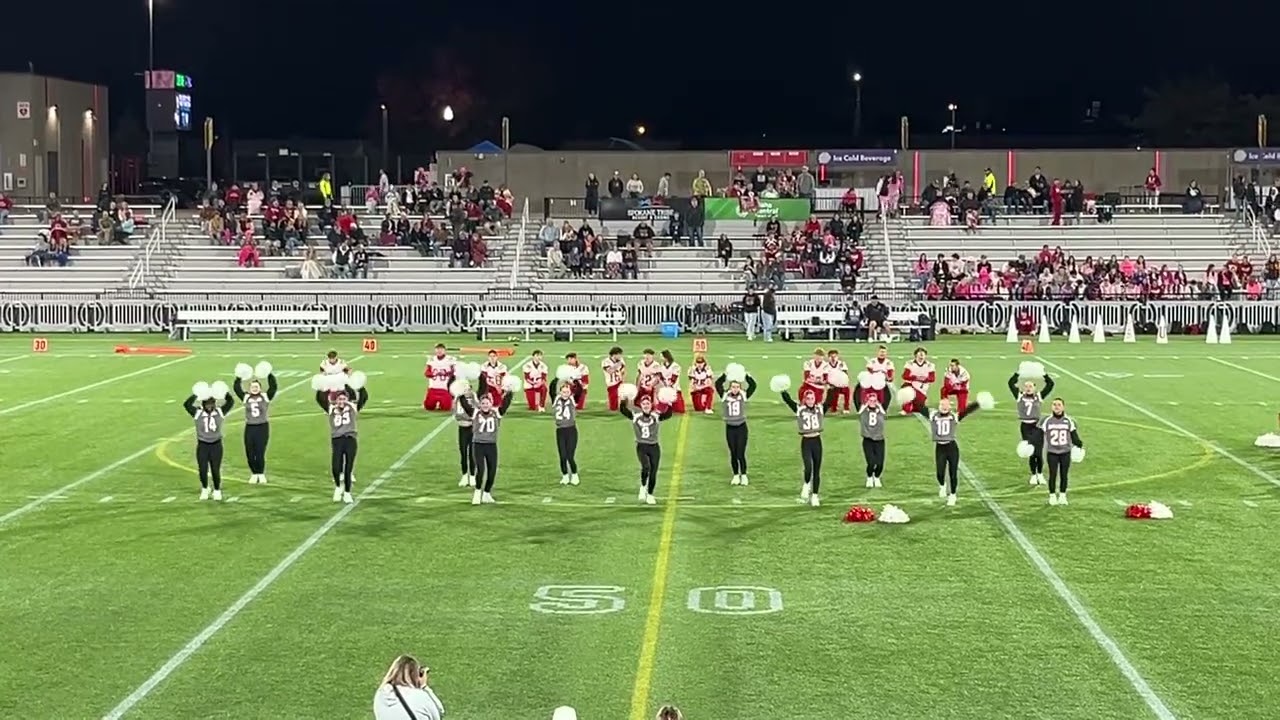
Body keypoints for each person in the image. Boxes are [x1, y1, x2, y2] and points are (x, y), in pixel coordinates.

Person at [914, 396, 982, 507]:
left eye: (946, 405)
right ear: (939, 406)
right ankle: (942, 486)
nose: (944, 407)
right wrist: (911, 397)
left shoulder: (954, 416)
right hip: (940, 448)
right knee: (940, 473)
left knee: (953, 473)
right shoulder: (933, 415)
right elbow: (920, 407)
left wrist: (978, 403)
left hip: (951, 447)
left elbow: (967, 410)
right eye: (942, 405)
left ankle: (953, 495)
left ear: (950, 406)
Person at [316, 382, 368, 503]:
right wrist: (324, 387)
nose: (342, 401)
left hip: (350, 439)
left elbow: (364, 396)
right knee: (336, 466)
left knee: (348, 468)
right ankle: (339, 487)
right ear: (336, 400)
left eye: (344, 399)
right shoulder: (331, 408)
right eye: (339, 399)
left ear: (347, 399)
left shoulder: (352, 407)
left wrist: (356, 384)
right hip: (337, 440)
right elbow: (319, 398)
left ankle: (348, 492)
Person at [459, 389, 514, 504]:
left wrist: (510, 392)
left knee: (492, 471)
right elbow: (465, 405)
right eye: (483, 403)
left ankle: (487, 493)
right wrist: (460, 394)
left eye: (487, 403)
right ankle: (477, 492)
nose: (485, 405)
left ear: (491, 403)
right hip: (478, 445)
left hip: (491, 445)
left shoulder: (496, 412)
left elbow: (506, 404)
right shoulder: (475, 413)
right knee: (481, 469)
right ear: (480, 404)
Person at [619, 394, 674, 505]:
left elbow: (668, 414)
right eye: (644, 404)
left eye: (648, 403)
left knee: (653, 472)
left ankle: (650, 494)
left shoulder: (656, 416)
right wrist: (623, 400)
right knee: (646, 467)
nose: (646, 405)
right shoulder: (636, 416)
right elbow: (623, 410)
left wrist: (669, 403)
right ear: (641, 405)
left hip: (654, 447)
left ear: (651, 405)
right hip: (642, 446)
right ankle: (643, 486)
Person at [184, 386, 235, 501]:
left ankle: (217, 490)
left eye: (211, 403)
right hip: (203, 445)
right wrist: (198, 394)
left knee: (215, 469)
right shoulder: (197, 413)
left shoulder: (220, 412)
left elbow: (230, 401)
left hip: (216, 445)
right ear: (203, 404)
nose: (210, 406)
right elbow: (187, 404)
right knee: (202, 469)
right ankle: (205, 488)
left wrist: (223, 392)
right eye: (207, 404)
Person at [780, 386, 828, 507]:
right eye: (808, 398)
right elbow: (788, 401)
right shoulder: (800, 409)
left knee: (817, 470)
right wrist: (782, 390)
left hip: (817, 440)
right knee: (808, 467)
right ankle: (806, 484)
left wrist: (834, 387)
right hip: (806, 441)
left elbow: (830, 400)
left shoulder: (820, 409)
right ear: (805, 400)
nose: (811, 400)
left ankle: (815, 496)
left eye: (812, 398)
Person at [1007, 371, 1056, 486]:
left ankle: (1040, 474)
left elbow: (1050, 384)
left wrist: (1044, 374)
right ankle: (1033, 475)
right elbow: (1010, 383)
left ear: (1034, 388)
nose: (1028, 388)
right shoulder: (1019, 396)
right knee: (1031, 451)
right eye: (1026, 386)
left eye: (1031, 386)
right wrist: (1017, 373)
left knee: (1038, 452)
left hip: (1037, 426)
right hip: (1025, 426)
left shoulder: (1039, 396)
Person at [233, 369, 278, 485]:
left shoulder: (265, 396)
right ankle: (254, 473)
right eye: (253, 387)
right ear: (249, 388)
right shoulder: (246, 397)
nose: (254, 388)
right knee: (249, 451)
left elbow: (273, 387)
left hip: (262, 427)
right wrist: (239, 377)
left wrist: (268, 374)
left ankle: (261, 473)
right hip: (250, 427)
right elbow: (236, 388)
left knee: (260, 451)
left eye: (256, 386)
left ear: (260, 387)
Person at [715, 371, 758, 485]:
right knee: (733, 453)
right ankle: (735, 475)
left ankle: (743, 474)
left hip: (741, 427)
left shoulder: (743, 395)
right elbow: (718, 384)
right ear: (730, 387)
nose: (735, 389)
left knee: (740, 452)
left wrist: (746, 375)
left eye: (737, 387)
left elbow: (753, 385)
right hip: (730, 428)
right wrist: (725, 374)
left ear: (740, 387)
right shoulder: (725, 395)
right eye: (733, 387)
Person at [373, 655, 444, 720]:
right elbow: (439, 712)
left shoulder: (380, 694)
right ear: (415, 675)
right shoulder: (419, 696)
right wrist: (424, 686)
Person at [1041, 398, 1084, 505]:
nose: (1056, 406)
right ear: (1051, 407)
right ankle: (1052, 496)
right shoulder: (1047, 421)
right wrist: (1032, 442)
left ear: (1063, 407)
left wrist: (1079, 444)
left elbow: (1074, 436)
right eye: (1054, 404)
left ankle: (1062, 495)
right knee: (1053, 474)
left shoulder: (1068, 421)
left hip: (1065, 452)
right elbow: (1039, 435)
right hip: (1052, 452)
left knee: (1064, 474)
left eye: (1059, 404)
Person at [549, 376, 585, 485]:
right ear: (560, 392)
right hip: (560, 431)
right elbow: (551, 389)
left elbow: (580, 390)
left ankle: (574, 474)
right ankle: (565, 475)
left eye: (567, 392)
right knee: (562, 456)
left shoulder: (573, 399)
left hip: (571, 430)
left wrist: (574, 379)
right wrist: (557, 378)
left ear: (570, 392)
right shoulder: (556, 399)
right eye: (563, 392)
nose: (565, 394)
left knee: (570, 456)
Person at [860, 390, 887, 488]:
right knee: (871, 462)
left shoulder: (880, 411)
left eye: (874, 400)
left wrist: (879, 405)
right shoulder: (864, 411)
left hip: (879, 439)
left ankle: (877, 477)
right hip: (868, 440)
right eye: (870, 401)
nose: (872, 402)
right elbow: (860, 412)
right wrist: (866, 404)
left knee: (880, 463)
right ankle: (869, 476)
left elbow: (884, 415)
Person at [453, 386, 478, 487]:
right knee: (463, 452)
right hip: (462, 428)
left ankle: (472, 476)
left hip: (472, 428)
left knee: (472, 453)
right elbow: (456, 413)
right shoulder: (458, 399)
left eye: (468, 389)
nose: (467, 391)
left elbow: (476, 410)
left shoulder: (473, 398)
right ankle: (464, 476)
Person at [900, 347, 935, 415]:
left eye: (923, 353)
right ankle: (906, 408)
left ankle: (913, 405)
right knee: (906, 391)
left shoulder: (930, 365)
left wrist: (925, 379)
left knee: (920, 407)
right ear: (916, 355)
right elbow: (905, 376)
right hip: (911, 384)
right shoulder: (910, 363)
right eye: (919, 353)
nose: (921, 355)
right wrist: (916, 378)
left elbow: (932, 378)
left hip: (922, 387)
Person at [423, 344, 457, 411]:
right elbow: (427, 373)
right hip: (433, 387)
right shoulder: (432, 359)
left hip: (445, 388)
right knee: (428, 407)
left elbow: (454, 372)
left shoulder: (450, 359)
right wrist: (433, 374)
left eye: (441, 349)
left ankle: (452, 400)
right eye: (438, 349)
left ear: (445, 350)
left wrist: (445, 374)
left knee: (445, 408)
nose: (439, 351)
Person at [602, 346, 627, 411]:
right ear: (614, 354)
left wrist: (623, 378)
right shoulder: (606, 361)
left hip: (619, 381)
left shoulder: (621, 360)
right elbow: (610, 371)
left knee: (624, 396)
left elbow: (623, 371)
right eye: (619, 354)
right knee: (613, 407)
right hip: (611, 383)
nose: (620, 356)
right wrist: (617, 365)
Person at [827, 349, 852, 414]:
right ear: (828, 357)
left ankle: (846, 407)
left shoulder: (841, 363)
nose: (833, 358)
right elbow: (825, 376)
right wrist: (830, 384)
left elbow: (845, 373)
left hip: (841, 383)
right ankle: (833, 407)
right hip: (832, 384)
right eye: (831, 357)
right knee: (834, 392)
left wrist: (845, 382)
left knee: (847, 390)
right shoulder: (826, 365)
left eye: (834, 357)